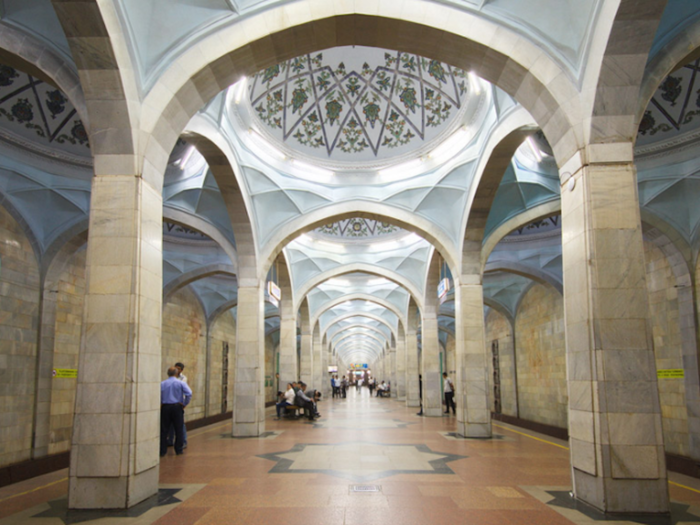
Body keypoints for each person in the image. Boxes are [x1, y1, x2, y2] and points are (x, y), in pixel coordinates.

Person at [160, 366, 192, 456]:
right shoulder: (180, 383)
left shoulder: (162, 383)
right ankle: (178, 449)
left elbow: (158, 394)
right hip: (177, 407)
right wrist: (184, 403)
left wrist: (161, 402)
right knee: (178, 429)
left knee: (164, 429)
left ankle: (162, 450)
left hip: (165, 407)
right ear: (176, 373)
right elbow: (189, 393)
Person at [167, 362, 189, 447]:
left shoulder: (183, 378)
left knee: (180, 424)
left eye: (178, 369)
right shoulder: (171, 378)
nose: (177, 370)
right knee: (171, 423)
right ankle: (170, 440)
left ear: (181, 370)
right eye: (175, 368)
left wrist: (184, 403)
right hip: (170, 402)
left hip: (179, 403)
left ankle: (183, 441)